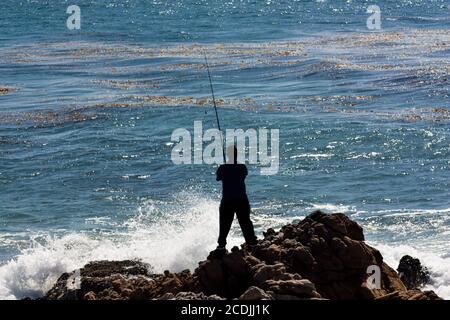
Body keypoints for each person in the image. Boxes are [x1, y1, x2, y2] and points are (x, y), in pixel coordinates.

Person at [216, 145, 257, 250]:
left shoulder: (222, 168)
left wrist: (224, 167)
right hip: (241, 200)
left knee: (224, 224)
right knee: (245, 222)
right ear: (237, 154)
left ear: (227, 155)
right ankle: (252, 243)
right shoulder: (242, 167)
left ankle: (221, 246)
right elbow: (244, 175)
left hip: (227, 200)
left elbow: (218, 178)